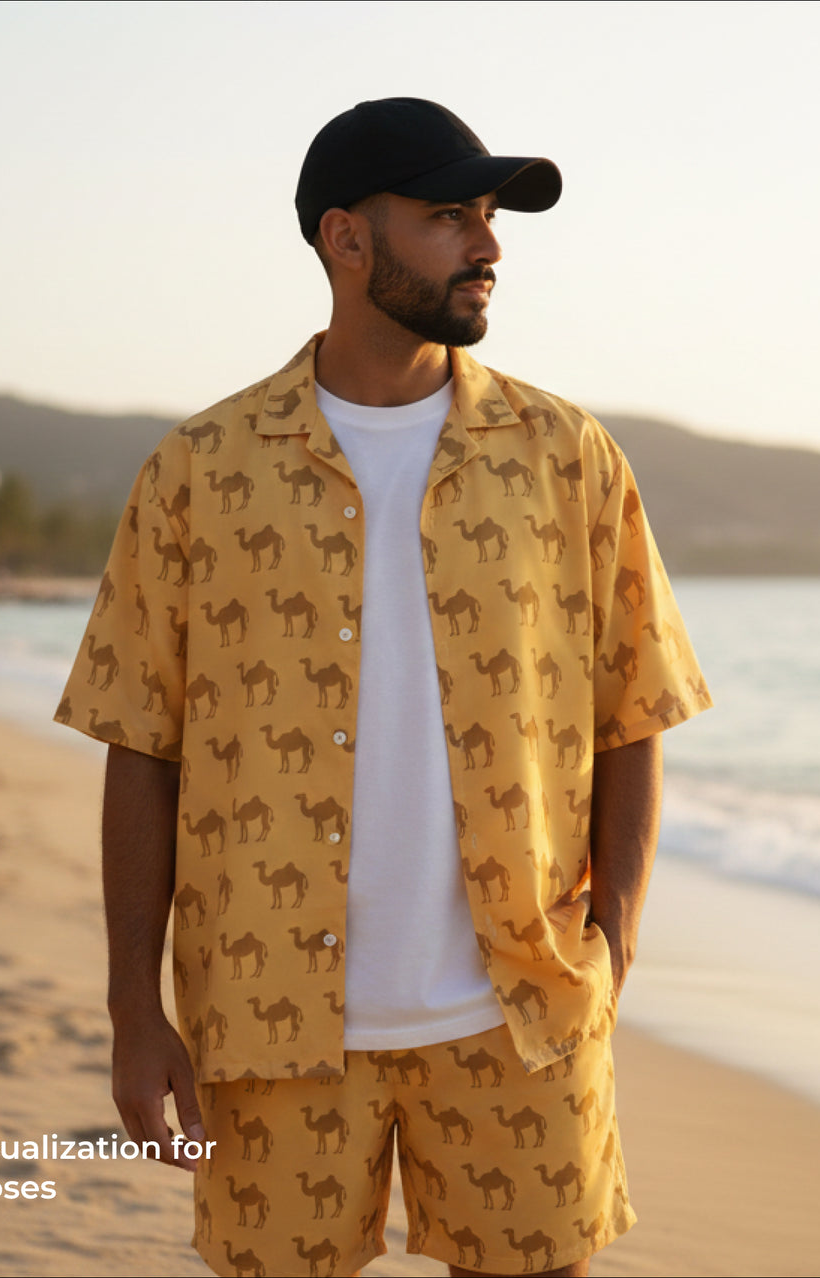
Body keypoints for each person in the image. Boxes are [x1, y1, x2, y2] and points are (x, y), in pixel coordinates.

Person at [56, 97, 711, 1278]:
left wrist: (613, 937)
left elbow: (634, 713)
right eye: (449, 217)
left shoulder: (567, 457)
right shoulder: (199, 474)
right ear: (345, 240)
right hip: (269, 1027)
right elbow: (140, 747)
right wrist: (130, 1009)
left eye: (489, 216)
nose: (488, 246)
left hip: (521, 1018)